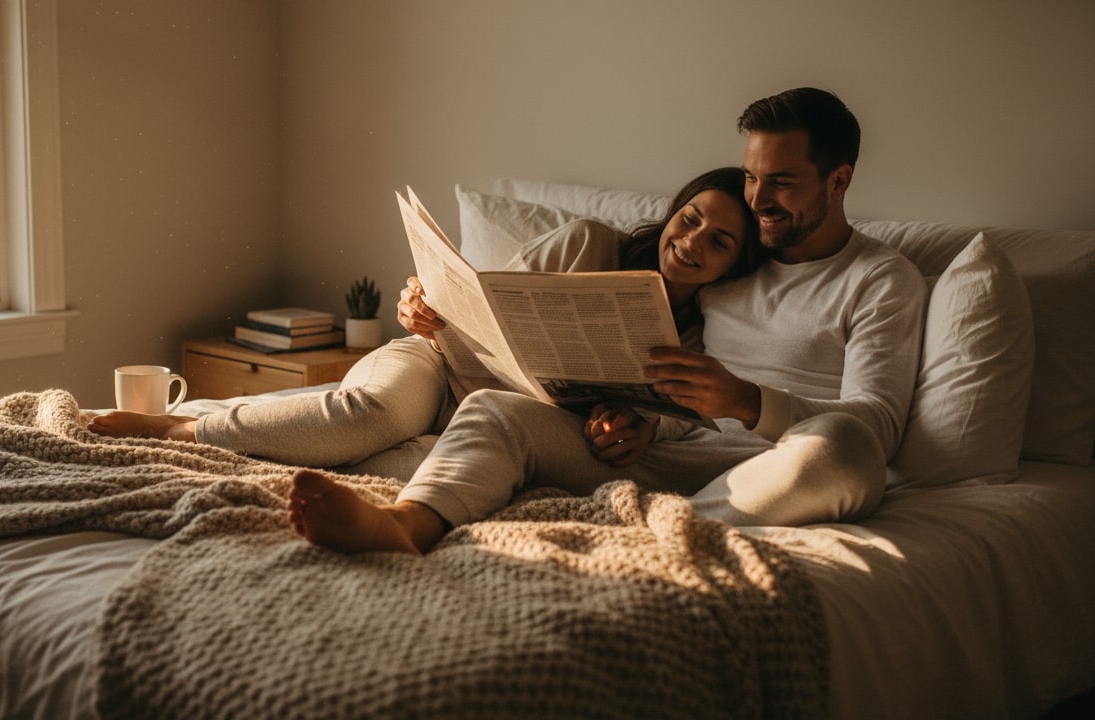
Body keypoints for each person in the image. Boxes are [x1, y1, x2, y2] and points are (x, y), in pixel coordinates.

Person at [288, 86, 928, 555]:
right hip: (673, 456)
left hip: (783, 465)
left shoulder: (881, 279)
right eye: (754, 177)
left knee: (846, 450)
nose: (758, 199)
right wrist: (638, 423)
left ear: (838, 180)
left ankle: (649, 535)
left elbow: (878, 425)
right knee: (495, 411)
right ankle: (406, 525)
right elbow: (667, 385)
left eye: (782, 183)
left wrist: (747, 400)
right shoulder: (735, 265)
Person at [89, 167, 760, 482]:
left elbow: (677, 427)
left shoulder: (701, 341)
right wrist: (426, 308)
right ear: (674, 210)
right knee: (374, 414)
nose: (694, 241)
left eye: (721, 241)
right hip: (437, 364)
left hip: (505, 419)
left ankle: (293, 452)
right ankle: (176, 429)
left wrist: (627, 425)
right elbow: (490, 307)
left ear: (733, 266)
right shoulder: (587, 243)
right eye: (692, 216)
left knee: (423, 464)